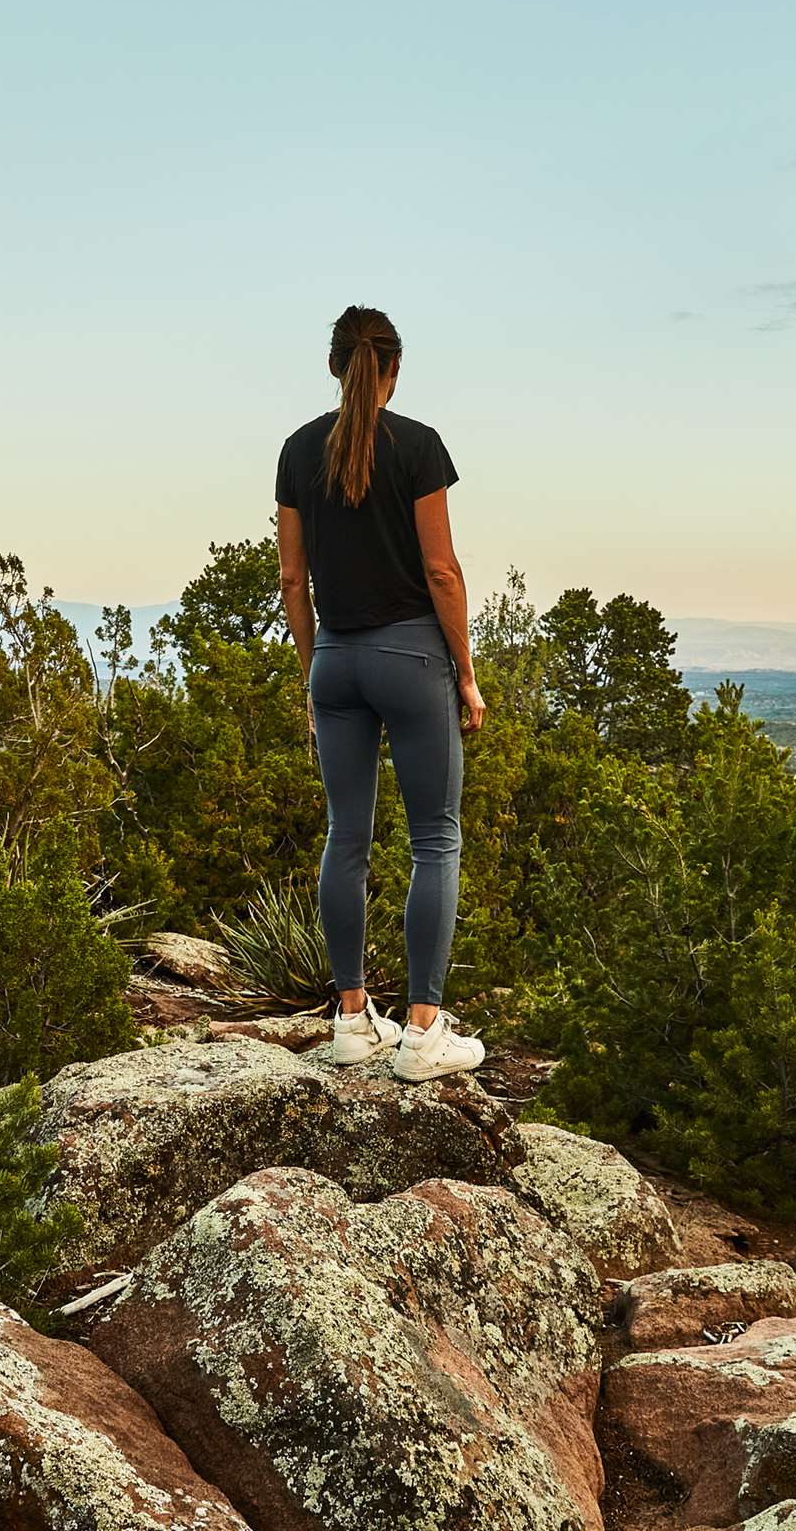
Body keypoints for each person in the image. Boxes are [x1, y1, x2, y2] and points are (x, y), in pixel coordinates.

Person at [275, 305, 487, 1082]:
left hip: (336, 661)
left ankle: (351, 1021)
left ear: (334, 366)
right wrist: (464, 670)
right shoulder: (418, 447)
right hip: (410, 657)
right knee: (434, 838)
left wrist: (313, 667)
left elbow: (293, 578)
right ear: (392, 369)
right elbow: (441, 572)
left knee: (347, 838)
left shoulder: (297, 451)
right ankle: (424, 1032)